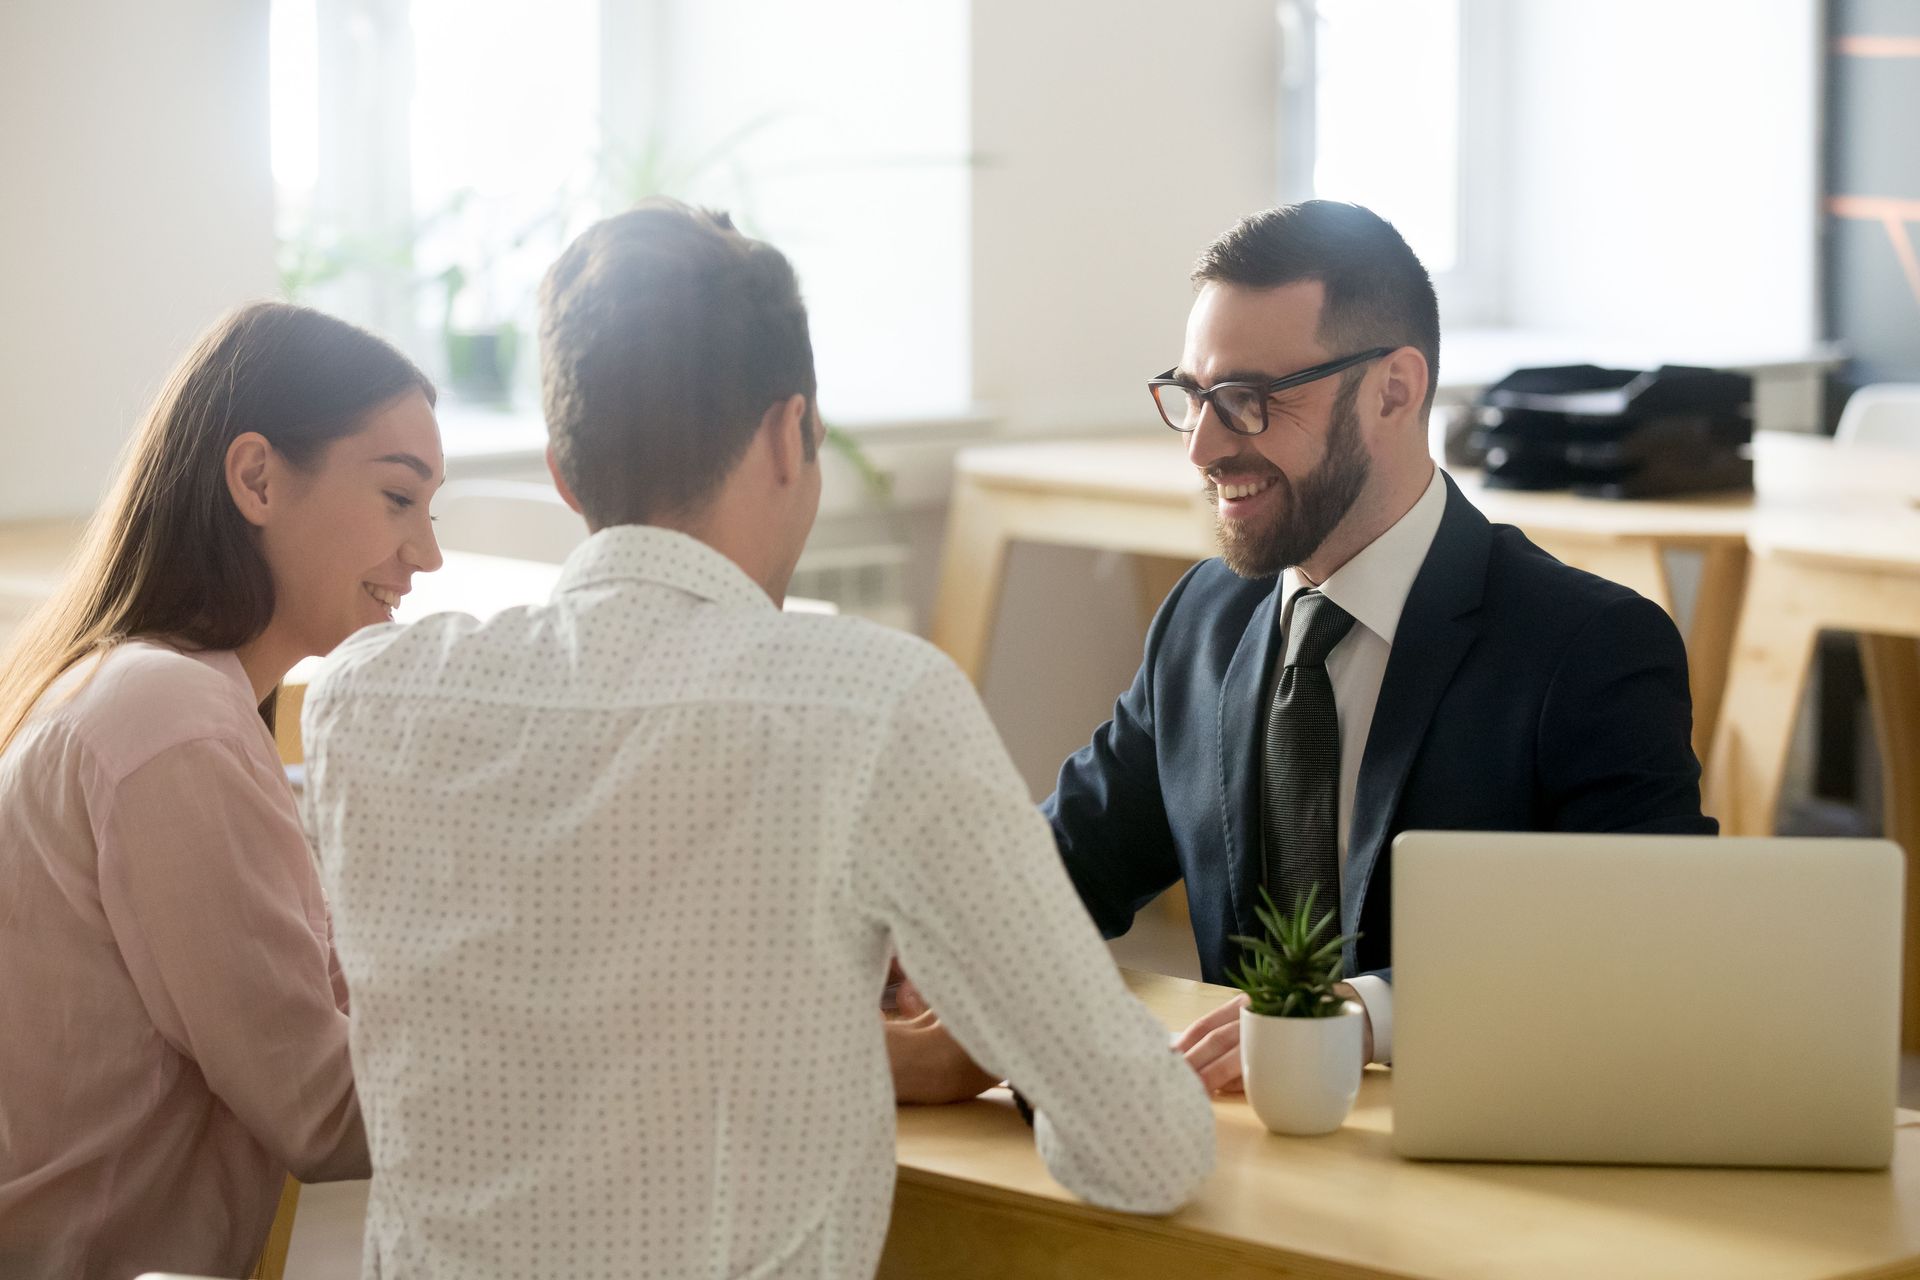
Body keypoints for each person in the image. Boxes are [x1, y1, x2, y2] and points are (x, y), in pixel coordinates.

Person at [300, 199, 1213, 1279]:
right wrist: (970, 1046)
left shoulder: (364, 699)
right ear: (792, 434)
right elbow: (1146, 1146)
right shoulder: (877, 706)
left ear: (563, 470)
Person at [895, 200, 1715, 1098]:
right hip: (1235, 1158)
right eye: (1193, 396)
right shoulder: (1204, 620)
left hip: (1476, 1160)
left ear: (1393, 392)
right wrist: (916, 952)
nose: (1204, 446)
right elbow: (1065, 864)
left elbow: (1646, 946)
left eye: (1247, 402)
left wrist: (1362, 1016)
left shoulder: (1587, 648)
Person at [0, 302, 444, 1279]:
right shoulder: (172, 723)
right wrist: (613, 1032)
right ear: (256, 477)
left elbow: (310, 997)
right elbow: (326, 1113)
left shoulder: (130, 686)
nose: (428, 553)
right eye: (398, 498)